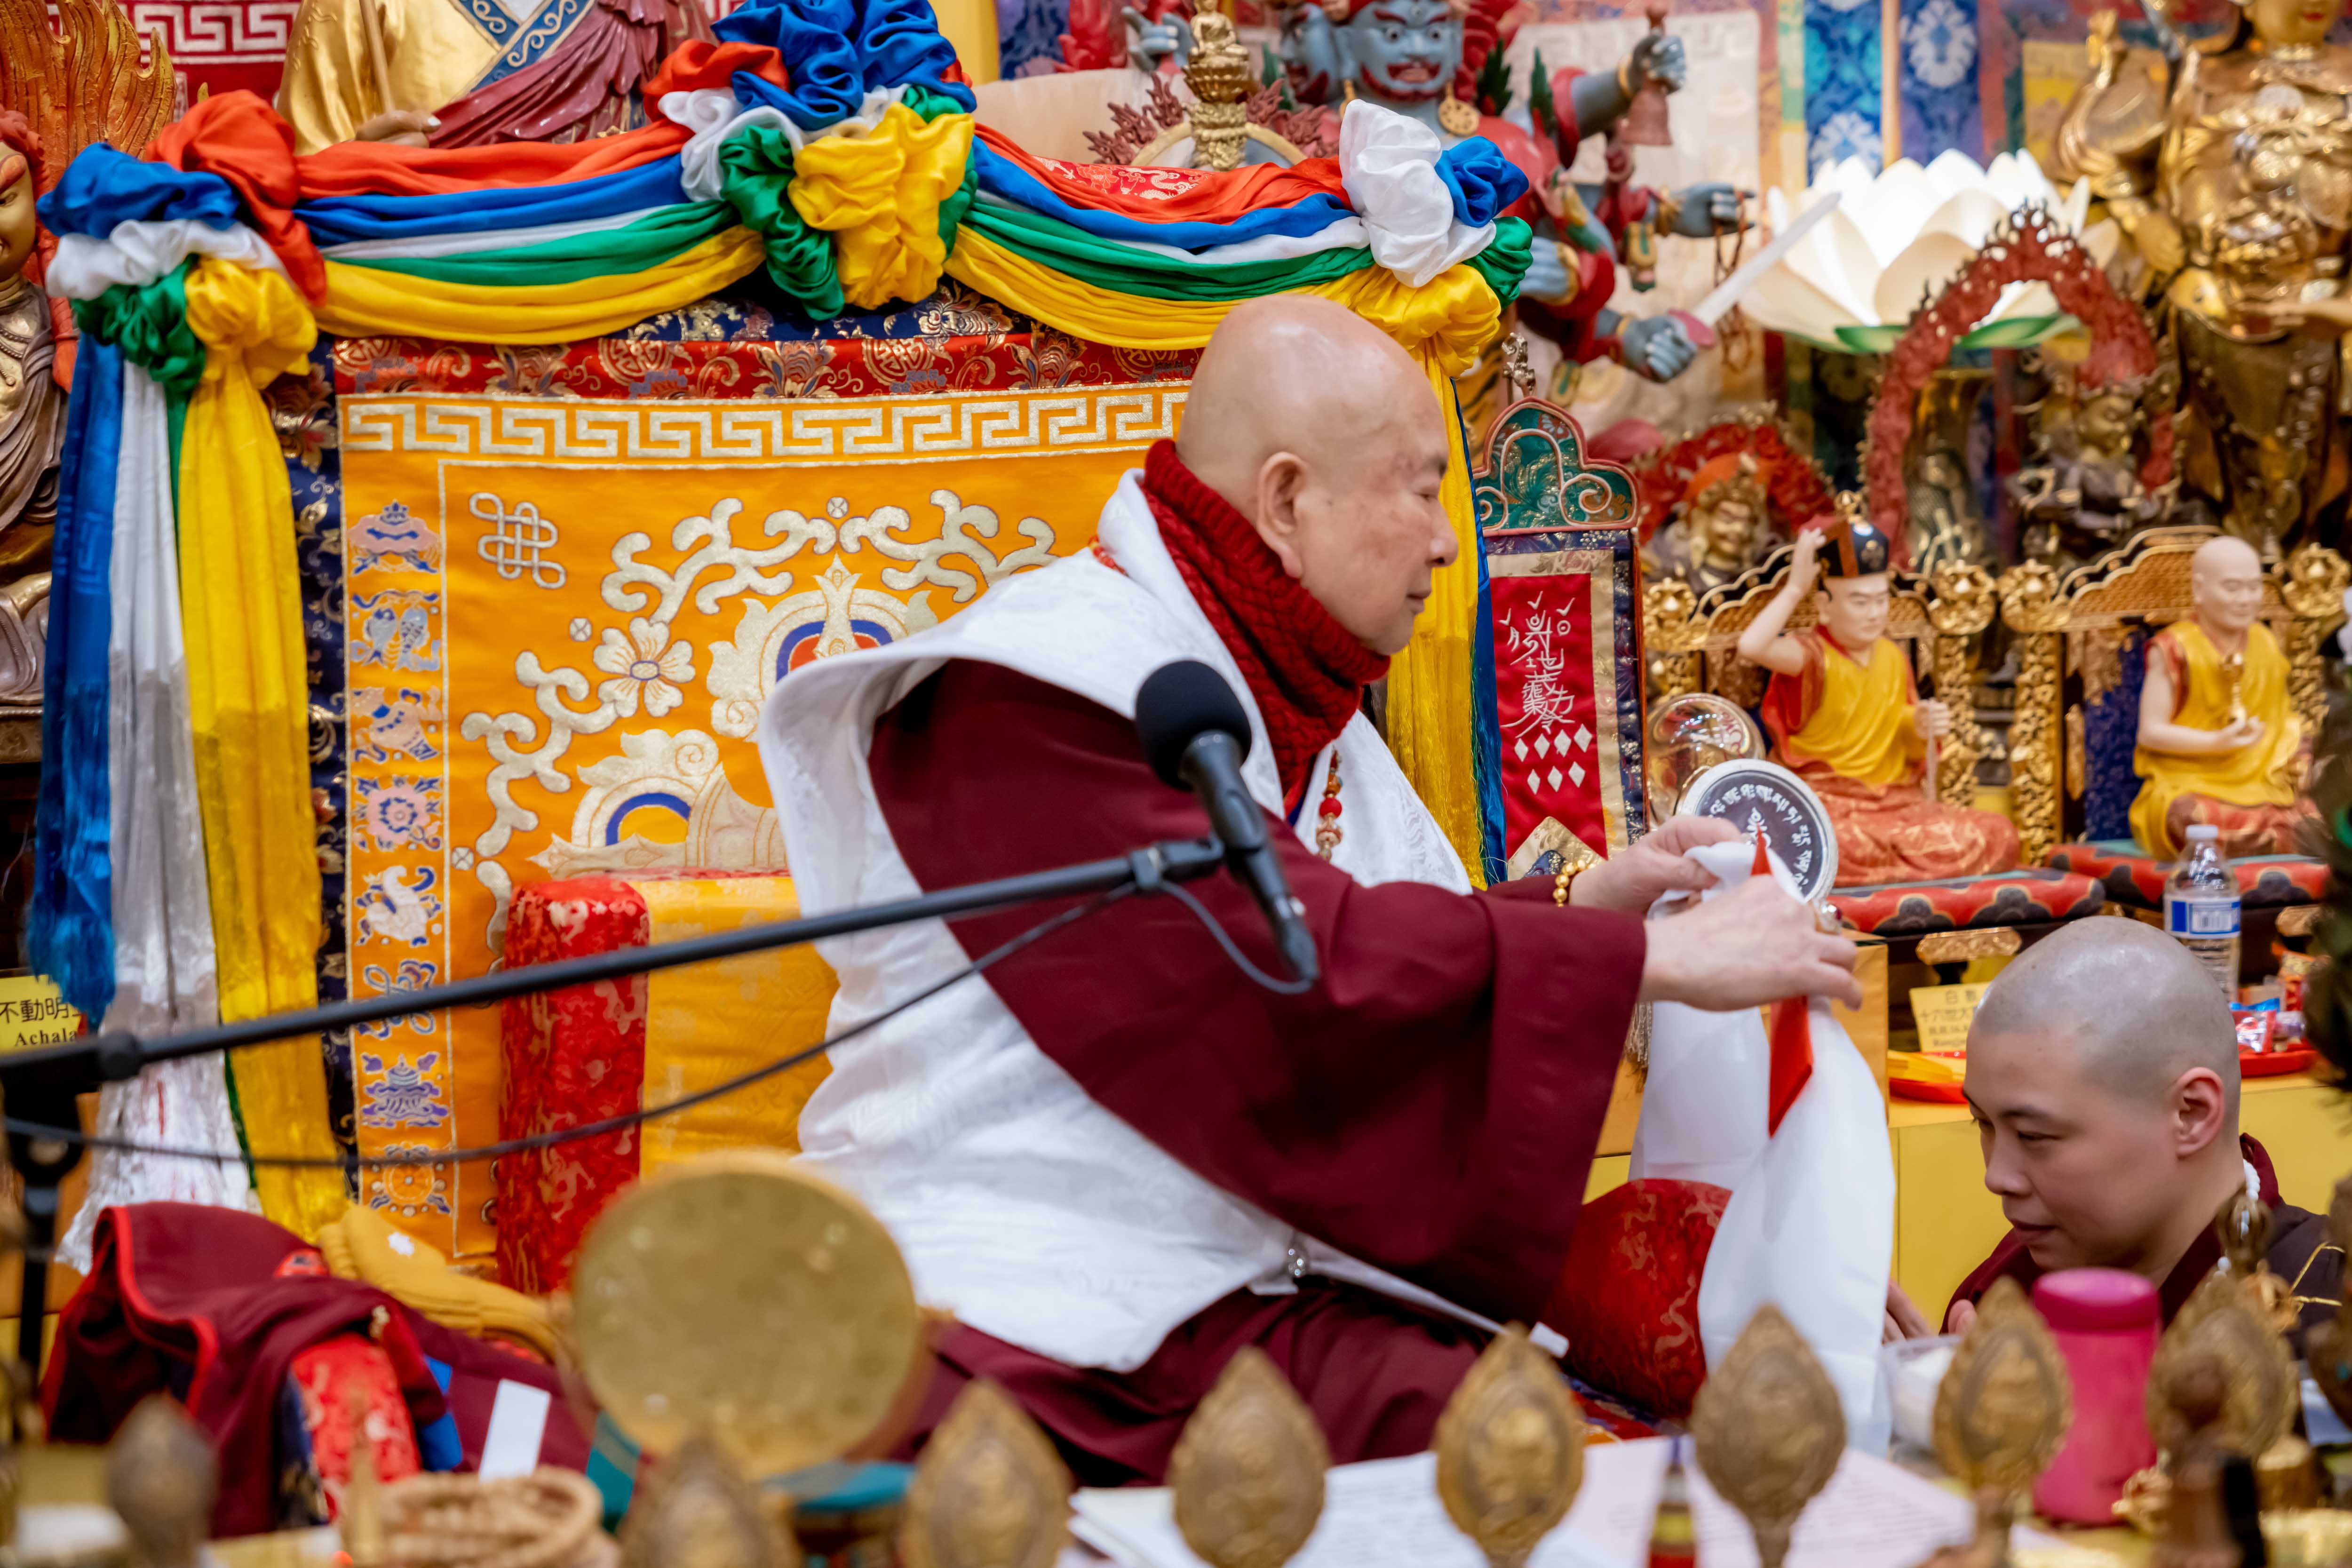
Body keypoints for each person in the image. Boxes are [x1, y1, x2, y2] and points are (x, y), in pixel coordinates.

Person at [757, 294, 1860, 1482]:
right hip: (1013, 1284)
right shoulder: (1047, 691)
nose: (1448, 542)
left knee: (1487, 1425)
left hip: (1209, 1272)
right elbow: (1274, 969)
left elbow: (1357, 942)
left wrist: (1592, 910)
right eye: (1422, 489)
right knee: (1476, 1442)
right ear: (1286, 502)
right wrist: (1642, 962)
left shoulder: (1275, 693)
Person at [1938, 917, 2339, 1347]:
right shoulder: (2003, 1292)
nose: (1996, 1177)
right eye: (1982, 1122)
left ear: (2191, 1114)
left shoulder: (2328, 1313)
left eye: (2033, 1135)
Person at [1737, 501, 2021, 885]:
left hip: (1895, 805)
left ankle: (1881, 864)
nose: (1874, 613)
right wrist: (1796, 588)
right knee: (1824, 842)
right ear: (1824, 606)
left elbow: (1903, 739)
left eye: (1880, 600)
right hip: (1829, 804)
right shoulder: (1811, 656)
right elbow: (1752, 646)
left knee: (1998, 833)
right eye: (1859, 602)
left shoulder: (1892, 656)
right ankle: (1877, 863)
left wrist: (1919, 724)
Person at [2130, 533, 2314, 860]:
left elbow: (2282, 721)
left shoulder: (2265, 642)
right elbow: (2150, 732)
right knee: (2190, 819)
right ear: (2200, 590)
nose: (2246, 599)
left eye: (2254, 587)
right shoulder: (2175, 648)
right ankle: (2275, 835)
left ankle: (2266, 834)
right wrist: (2217, 742)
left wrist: (2298, 751)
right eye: (2232, 588)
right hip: (2191, 780)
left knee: (2323, 813)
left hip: (2262, 779)